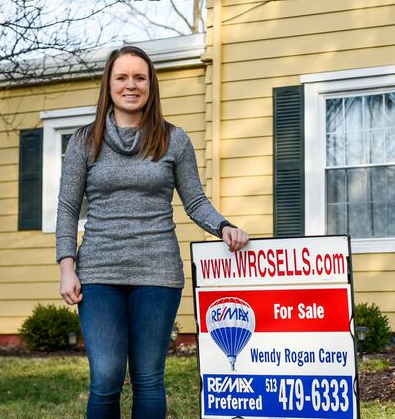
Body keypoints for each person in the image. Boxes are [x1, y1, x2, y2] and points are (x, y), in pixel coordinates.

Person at [56, 45, 250, 419]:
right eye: (122, 77)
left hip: (157, 273)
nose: (131, 85)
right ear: (108, 85)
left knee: (148, 377)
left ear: (151, 85)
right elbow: (67, 207)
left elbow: (194, 201)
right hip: (98, 272)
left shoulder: (173, 139)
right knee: (106, 376)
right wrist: (67, 266)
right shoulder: (84, 141)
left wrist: (224, 226)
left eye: (139, 77)